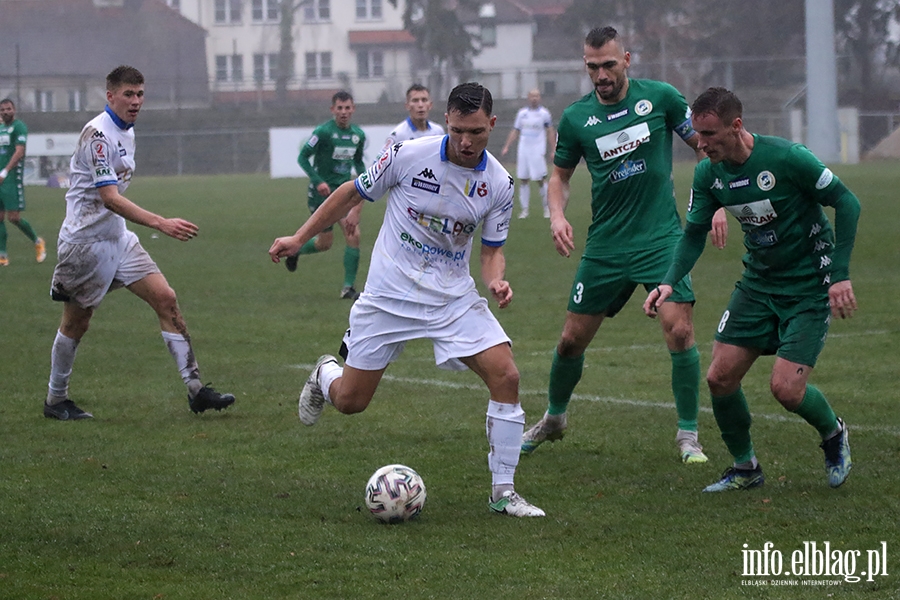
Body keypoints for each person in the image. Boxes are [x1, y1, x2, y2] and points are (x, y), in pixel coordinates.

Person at [269, 82, 545, 518]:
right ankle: (325, 373)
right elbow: (349, 193)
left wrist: (496, 281)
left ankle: (503, 492)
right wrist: (299, 236)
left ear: (492, 124)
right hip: (388, 295)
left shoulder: (499, 183)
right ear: (447, 122)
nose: (466, 141)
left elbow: (491, 252)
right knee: (351, 402)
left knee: (506, 376)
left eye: (476, 131)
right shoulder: (407, 154)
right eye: (457, 130)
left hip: (452, 298)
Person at [521, 26, 729, 463]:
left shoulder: (663, 98)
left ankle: (688, 436)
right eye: (592, 67)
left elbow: (705, 147)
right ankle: (555, 418)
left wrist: (716, 202)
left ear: (627, 60)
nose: (601, 74)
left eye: (608, 65)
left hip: (661, 240)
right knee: (570, 341)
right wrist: (556, 214)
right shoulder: (577, 118)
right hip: (606, 245)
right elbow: (559, 176)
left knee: (680, 329)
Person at [643, 87, 859, 492]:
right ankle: (746, 468)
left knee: (786, 389)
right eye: (696, 134)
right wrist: (668, 282)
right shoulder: (709, 174)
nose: (700, 144)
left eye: (709, 135)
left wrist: (841, 274)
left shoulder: (788, 158)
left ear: (736, 126)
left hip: (809, 285)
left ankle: (833, 434)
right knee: (720, 377)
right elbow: (692, 236)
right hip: (759, 285)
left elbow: (847, 203)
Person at [44, 65, 234, 420]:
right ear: (110, 95)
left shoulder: (125, 131)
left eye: (140, 94)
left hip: (117, 236)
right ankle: (55, 400)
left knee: (165, 298)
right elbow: (110, 198)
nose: (136, 102)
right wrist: (161, 223)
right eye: (128, 94)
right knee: (76, 323)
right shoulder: (98, 136)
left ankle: (196, 390)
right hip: (84, 244)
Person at [287, 91, 367, 301]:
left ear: (353, 109)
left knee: (353, 235)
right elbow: (303, 157)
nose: (343, 112)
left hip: (344, 193)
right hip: (321, 195)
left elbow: (358, 163)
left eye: (347, 108)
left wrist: (365, 181)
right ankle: (295, 249)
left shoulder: (358, 135)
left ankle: (348, 288)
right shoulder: (323, 132)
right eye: (339, 108)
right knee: (325, 243)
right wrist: (318, 180)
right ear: (333, 110)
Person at [0, 98, 45, 266]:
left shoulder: (19, 127)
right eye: (2, 109)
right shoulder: (1, 128)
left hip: (11, 178)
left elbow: (19, 152)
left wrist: (5, 171)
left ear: (14, 110)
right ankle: (2, 255)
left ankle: (37, 241)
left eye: (8, 109)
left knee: (13, 217)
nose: (5, 112)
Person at [500, 89, 554, 219]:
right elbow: (515, 130)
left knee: (540, 179)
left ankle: (547, 208)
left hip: (538, 149)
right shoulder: (522, 113)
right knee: (523, 179)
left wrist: (553, 149)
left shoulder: (544, 114)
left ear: (539, 98)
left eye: (536, 96)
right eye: (532, 96)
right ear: (528, 98)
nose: (534, 98)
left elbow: (550, 131)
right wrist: (507, 146)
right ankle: (524, 210)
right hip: (524, 148)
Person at [380, 84, 444, 154]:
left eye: (424, 100)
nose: (420, 105)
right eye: (415, 100)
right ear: (407, 106)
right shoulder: (398, 135)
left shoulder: (438, 132)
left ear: (430, 105)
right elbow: (380, 161)